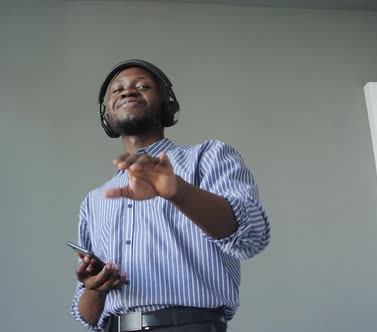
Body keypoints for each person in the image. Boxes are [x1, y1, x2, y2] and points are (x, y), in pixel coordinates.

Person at [70, 59, 270, 332]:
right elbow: (87, 316)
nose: (127, 92)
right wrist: (94, 289)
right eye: (117, 90)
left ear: (168, 105)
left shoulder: (208, 158)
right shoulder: (94, 201)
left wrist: (178, 191)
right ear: (106, 114)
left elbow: (252, 237)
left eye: (142, 86)